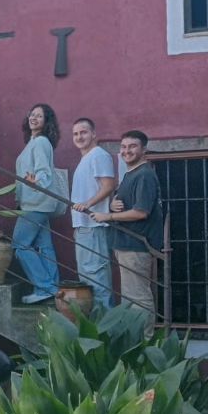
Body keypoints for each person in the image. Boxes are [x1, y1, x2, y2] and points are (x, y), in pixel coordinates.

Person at [92, 130, 164, 338]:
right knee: (130, 299)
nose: (126, 151)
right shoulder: (130, 174)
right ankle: (136, 341)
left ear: (144, 150)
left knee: (139, 298)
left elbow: (141, 211)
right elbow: (128, 204)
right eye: (123, 147)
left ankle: (146, 343)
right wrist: (114, 203)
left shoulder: (144, 174)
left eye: (132, 146)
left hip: (136, 246)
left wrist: (108, 217)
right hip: (126, 246)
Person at [14, 104, 62, 304]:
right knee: (45, 246)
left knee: (20, 244)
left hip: (35, 203)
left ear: (46, 121)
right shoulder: (34, 141)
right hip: (38, 203)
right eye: (32, 114)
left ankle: (45, 287)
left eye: (39, 116)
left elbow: (43, 171)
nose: (34, 118)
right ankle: (53, 289)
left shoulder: (40, 142)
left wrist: (38, 182)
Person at [70, 117, 116, 310]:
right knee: (89, 279)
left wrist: (87, 204)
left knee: (97, 281)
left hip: (93, 226)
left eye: (83, 132)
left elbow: (109, 185)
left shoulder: (98, 154)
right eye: (75, 134)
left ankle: (105, 332)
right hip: (83, 226)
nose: (79, 137)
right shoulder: (86, 158)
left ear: (94, 134)